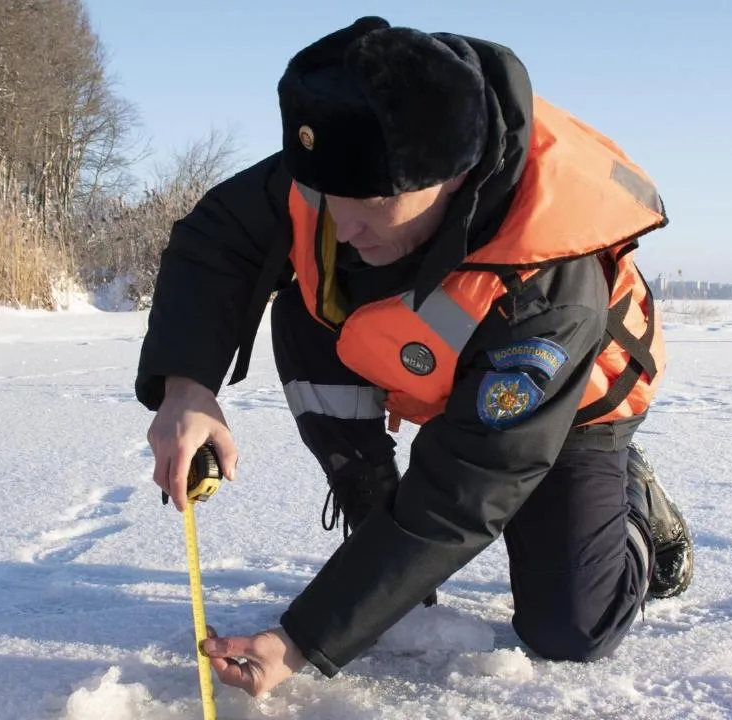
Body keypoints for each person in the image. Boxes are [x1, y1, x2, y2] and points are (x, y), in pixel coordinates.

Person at [136, 16, 696, 698]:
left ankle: (632, 510)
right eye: (329, 198)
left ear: (453, 176)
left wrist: (302, 641)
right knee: (308, 302)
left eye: (373, 203)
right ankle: (372, 509)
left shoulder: (547, 289)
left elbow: (463, 493)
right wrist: (186, 385)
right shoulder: (343, 158)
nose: (343, 224)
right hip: (421, 356)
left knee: (570, 628)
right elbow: (218, 238)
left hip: (568, 406)